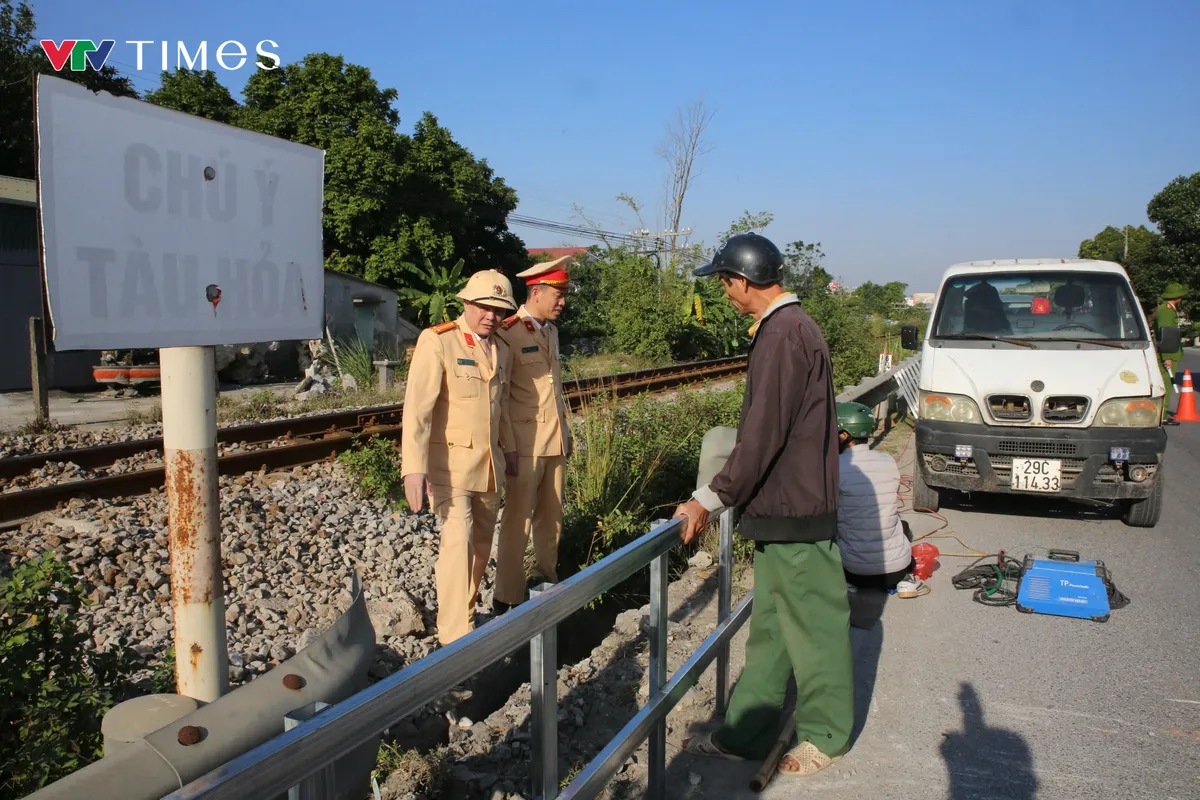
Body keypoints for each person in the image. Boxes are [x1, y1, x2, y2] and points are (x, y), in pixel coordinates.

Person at [672, 232, 853, 778]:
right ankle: (746, 734)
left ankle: (826, 734)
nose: (725, 293)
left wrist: (709, 498)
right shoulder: (790, 329)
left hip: (796, 512)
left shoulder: (783, 334)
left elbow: (761, 434)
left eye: (725, 282)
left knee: (815, 629)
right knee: (772, 631)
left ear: (743, 281)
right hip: (780, 511)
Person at [401, 269, 516, 645]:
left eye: (499, 310)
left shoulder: (503, 348)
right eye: (483, 307)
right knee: (458, 542)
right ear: (466, 303)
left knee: (482, 546)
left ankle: (463, 611)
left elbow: (501, 409)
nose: (490, 316)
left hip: (489, 468)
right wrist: (413, 469)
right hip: (448, 467)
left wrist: (510, 451)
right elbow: (417, 410)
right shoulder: (438, 342)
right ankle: (454, 638)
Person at [492, 256, 576, 613]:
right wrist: (508, 446)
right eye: (557, 294)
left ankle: (545, 581)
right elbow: (502, 396)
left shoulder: (551, 332)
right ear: (536, 292)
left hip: (554, 441)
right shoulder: (507, 333)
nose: (562, 302)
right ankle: (507, 596)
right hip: (524, 447)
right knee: (517, 520)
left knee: (552, 516)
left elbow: (553, 390)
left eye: (564, 295)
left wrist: (567, 433)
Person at [835, 401, 928, 598]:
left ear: (844, 435)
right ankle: (906, 582)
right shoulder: (887, 460)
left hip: (855, 571)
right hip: (898, 568)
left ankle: (847, 585)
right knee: (899, 522)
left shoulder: (834, 468)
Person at [1155, 283, 1187, 425]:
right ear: (1178, 297)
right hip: (1167, 352)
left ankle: (1161, 413)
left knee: (1165, 383)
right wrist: (1167, 356)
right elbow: (1166, 333)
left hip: (1166, 351)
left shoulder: (1166, 309)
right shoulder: (1167, 311)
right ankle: (1161, 415)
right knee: (1166, 384)